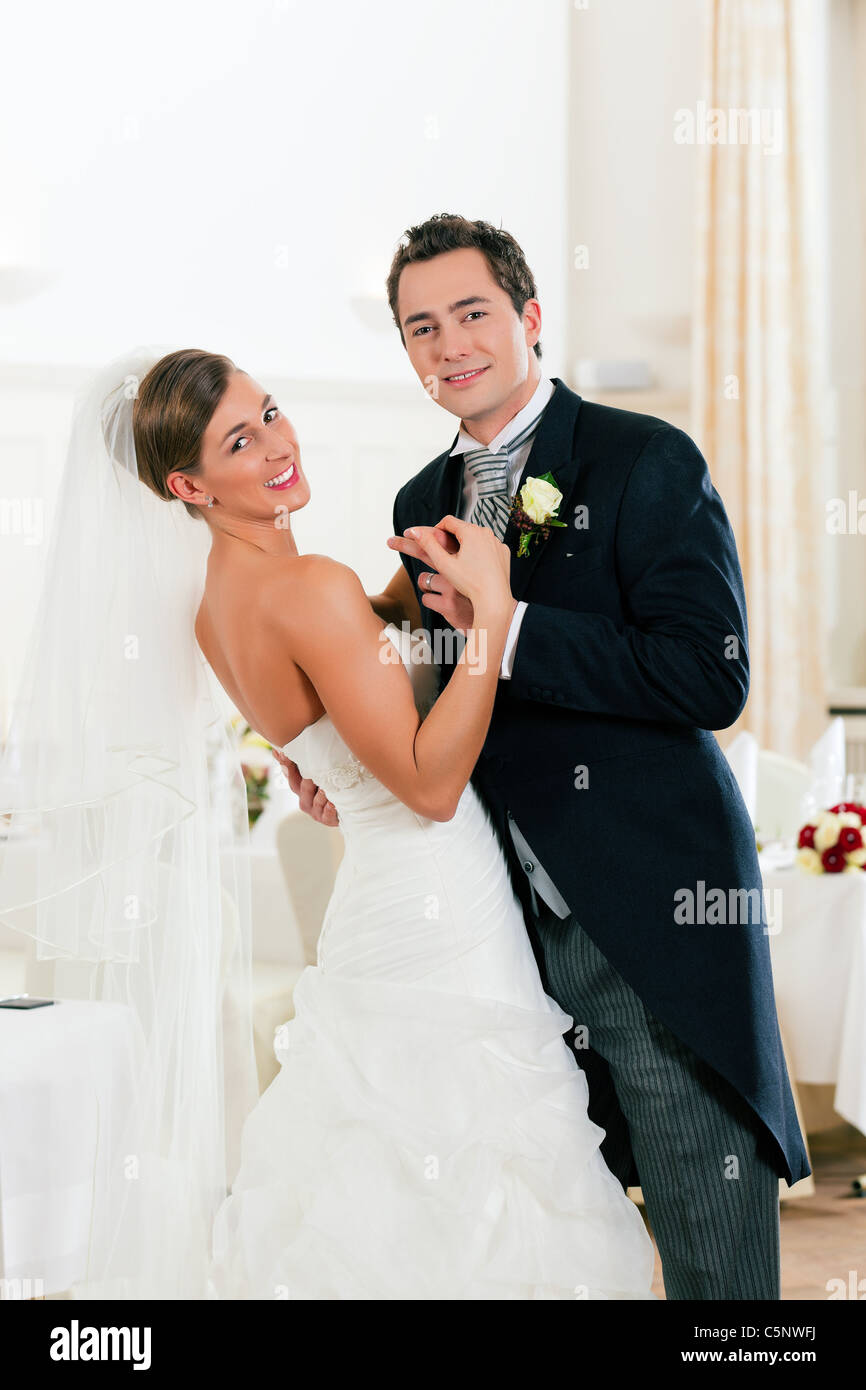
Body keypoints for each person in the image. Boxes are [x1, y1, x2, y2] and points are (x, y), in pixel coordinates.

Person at [281, 213, 811, 1300]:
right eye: (419, 327)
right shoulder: (415, 504)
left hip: (649, 912)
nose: (448, 345)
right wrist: (334, 752)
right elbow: (430, 692)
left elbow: (706, 676)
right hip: (491, 943)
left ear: (528, 316)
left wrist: (508, 622)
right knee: (545, 1246)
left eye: (470, 313)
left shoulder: (642, 460)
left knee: (713, 1256)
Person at [130, 346, 656, 1299]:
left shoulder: (216, 607)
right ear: (186, 483)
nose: (278, 445)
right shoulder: (308, 586)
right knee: (474, 1149)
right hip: (439, 895)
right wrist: (490, 617)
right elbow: (429, 786)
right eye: (239, 441)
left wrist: (400, 598)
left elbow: (326, 711)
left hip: (376, 899)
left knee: (380, 1159)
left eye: (273, 413)